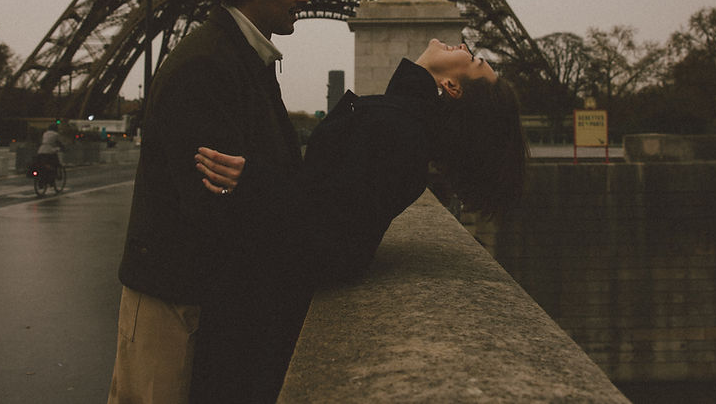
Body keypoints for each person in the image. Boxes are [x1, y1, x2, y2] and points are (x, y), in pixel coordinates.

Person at [195, 38, 529, 381]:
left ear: (451, 86)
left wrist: (255, 180)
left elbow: (328, 229)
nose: (462, 44)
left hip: (260, 309)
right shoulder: (401, 122)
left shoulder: (398, 130)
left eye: (472, 57)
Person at [107, 0, 310, 404]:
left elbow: (246, 182)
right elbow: (213, 201)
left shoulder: (239, 56)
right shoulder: (209, 64)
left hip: (203, 297)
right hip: (181, 303)